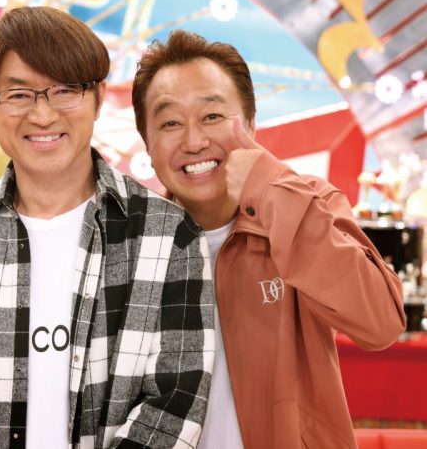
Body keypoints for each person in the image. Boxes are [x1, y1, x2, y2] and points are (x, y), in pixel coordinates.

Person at [0, 7, 214, 448]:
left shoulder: (168, 234)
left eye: (64, 91)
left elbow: (177, 397)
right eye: (18, 94)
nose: (42, 115)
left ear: (98, 97)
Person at [132, 29, 406, 448]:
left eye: (212, 116)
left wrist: (271, 192)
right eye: (170, 123)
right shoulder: (132, 242)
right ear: (148, 145)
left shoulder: (310, 202)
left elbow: (380, 322)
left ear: (251, 125)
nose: (194, 141)